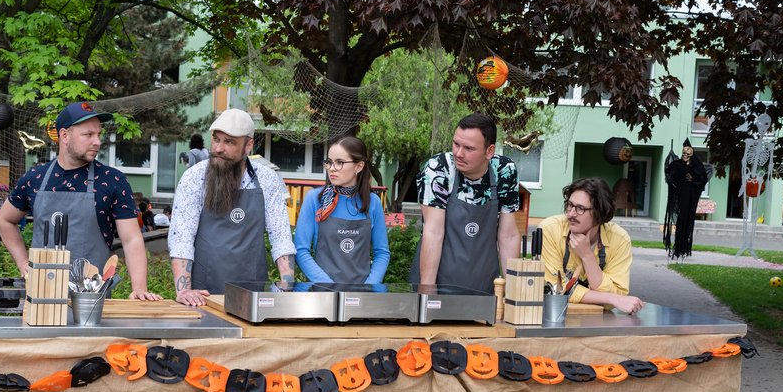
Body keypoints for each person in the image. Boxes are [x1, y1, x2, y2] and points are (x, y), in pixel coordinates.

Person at [0, 101, 160, 301]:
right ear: (64, 136)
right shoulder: (35, 178)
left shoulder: (112, 180)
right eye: (88, 135)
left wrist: (140, 288)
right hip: (40, 297)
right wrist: (24, 264)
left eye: (98, 134)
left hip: (91, 301)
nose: (98, 142)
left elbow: (131, 238)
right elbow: (5, 220)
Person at [168, 108, 295, 305]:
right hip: (202, 296)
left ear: (248, 145)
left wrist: (286, 285)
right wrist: (183, 290)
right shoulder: (194, 177)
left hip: (251, 295)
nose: (218, 148)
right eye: (216, 139)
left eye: (229, 142)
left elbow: (280, 237)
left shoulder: (268, 180)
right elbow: (181, 238)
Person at [409, 112, 521, 293]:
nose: (458, 154)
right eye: (456, 144)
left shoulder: (504, 171)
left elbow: (508, 236)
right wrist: (428, 290)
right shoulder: (438, 168)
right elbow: (433, 231)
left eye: (468, 148)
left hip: (485, 286)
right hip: (439, 283)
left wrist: (513, 292)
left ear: (489, 151)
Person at [539, 177, 645, 314]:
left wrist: (587, 256)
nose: (571, 214)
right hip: (553, 317)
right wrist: (611, 299)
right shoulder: (550, 229)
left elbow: (619, 292)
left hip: (599, 323)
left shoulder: (619, 239)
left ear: (600, 212)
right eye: (570, 205)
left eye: (580, 208)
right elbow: (554, 288)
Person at [294, 136, 390, 284]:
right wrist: (328, 287)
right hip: (323, 294)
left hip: (360, 296)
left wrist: (369, 287)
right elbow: (301, 250)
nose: (332, 168)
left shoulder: (373, 203)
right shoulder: (315, 199)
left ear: (359, 166)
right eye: (329, 162)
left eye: (340, 163)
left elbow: (382, 253)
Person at [663, 139, 709, 259]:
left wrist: (693, 180)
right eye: (683, 151)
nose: (685, 153)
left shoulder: (696, 165)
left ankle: (684, 248)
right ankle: (678, 248)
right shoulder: (678, 164)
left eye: (688, 151)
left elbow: (702, 179)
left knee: (688, 221)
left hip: (691, 197)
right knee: (681, 220)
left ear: (692, 152)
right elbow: (670, 172)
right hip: (681, 197)